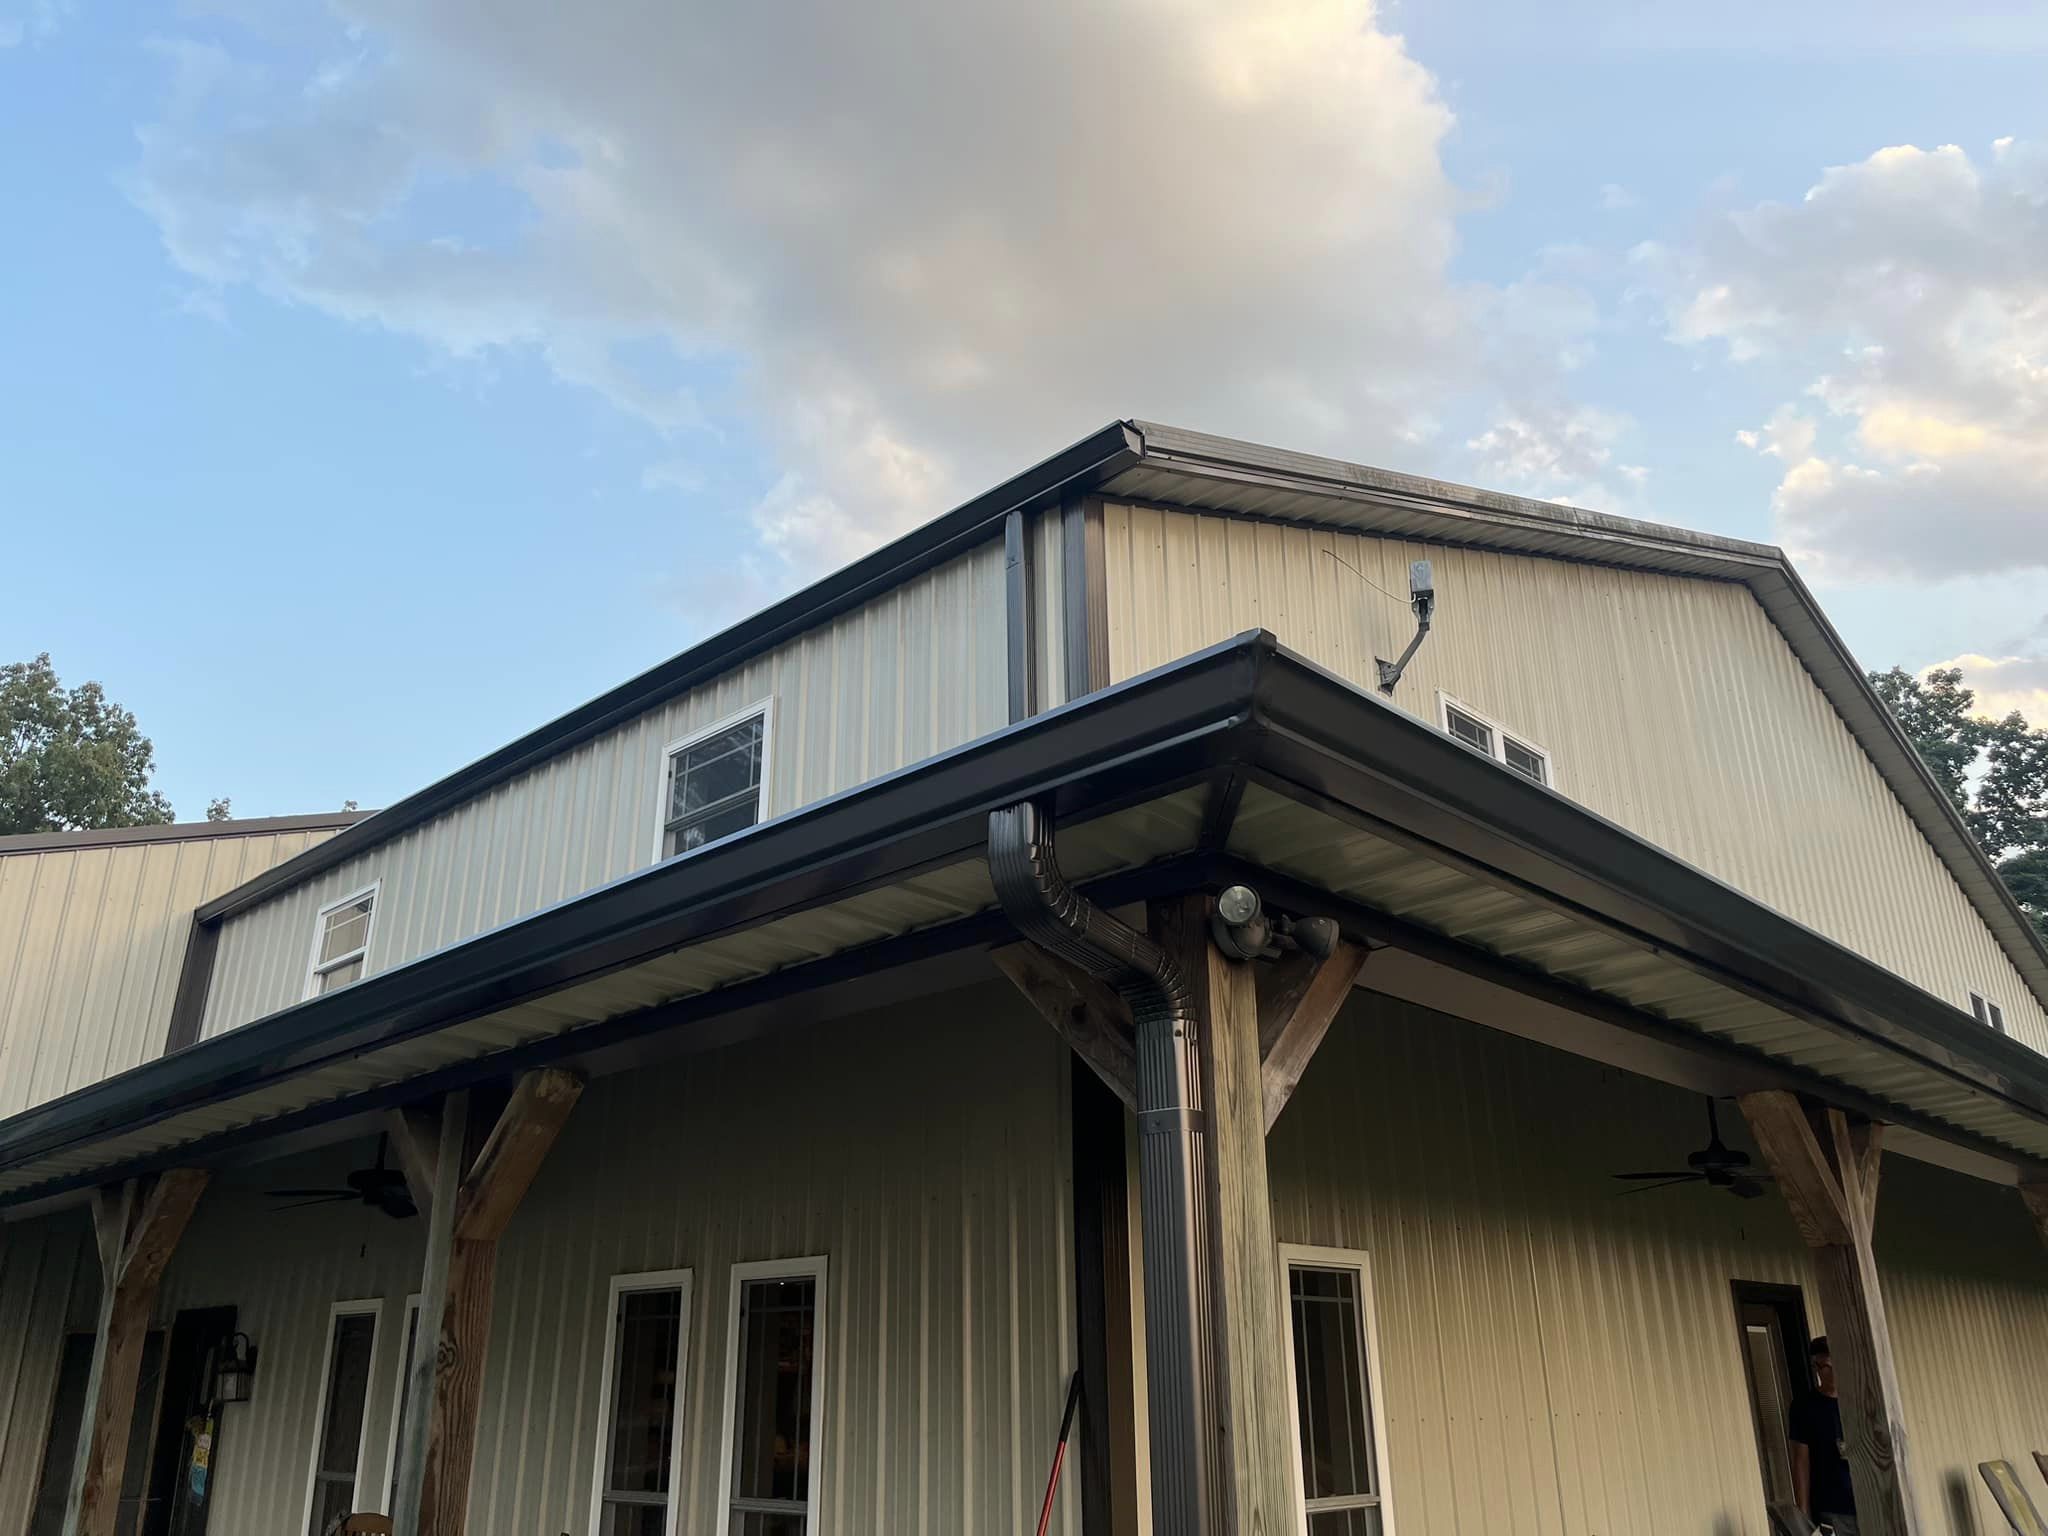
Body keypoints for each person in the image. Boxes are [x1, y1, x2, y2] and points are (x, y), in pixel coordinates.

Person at [1789, 1335, 1856, 1535]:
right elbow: (1801, 1461)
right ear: (1817, 1367)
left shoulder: (1858, 1401)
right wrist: (1803, 1514)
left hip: (1868, 1498)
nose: (1834, 1372)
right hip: (1831, 1507)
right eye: (1827, 1366)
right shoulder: (1804, 1406)